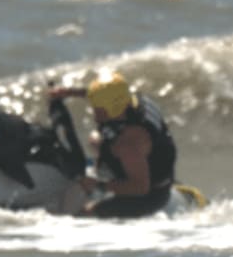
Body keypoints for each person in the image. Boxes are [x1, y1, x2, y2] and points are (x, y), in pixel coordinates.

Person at [48, 70, 177, 218]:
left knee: (82, 215)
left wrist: (98, 185)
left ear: (112, 109)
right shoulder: (131, 101)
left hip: (148, 196)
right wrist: (68, 92)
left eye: (98, 109)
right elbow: (103, 96)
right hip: (152, 162)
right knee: (96, 139)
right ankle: (112, 172)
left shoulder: (127, 144)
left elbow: (140, 188)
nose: (94, 113)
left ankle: (102, 191)